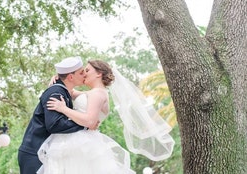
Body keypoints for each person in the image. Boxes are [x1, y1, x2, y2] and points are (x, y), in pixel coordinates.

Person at [37, 60, 174, 174]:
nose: (84, 73)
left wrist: (64, 109)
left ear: (98, 73)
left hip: (82, 143)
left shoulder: (98, 94)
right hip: (75, 139)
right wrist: (58, 77)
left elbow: (90, 121)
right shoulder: (93, 93)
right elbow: (70, 90)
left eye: (87, 70)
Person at [18, 56, 97, 174]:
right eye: (81, 73)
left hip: (43, 153)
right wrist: (84, 125)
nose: (84, 75)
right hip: (34, 153)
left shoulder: (63, 91)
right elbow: (54, 125)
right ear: (70, 77)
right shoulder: (55, 92)